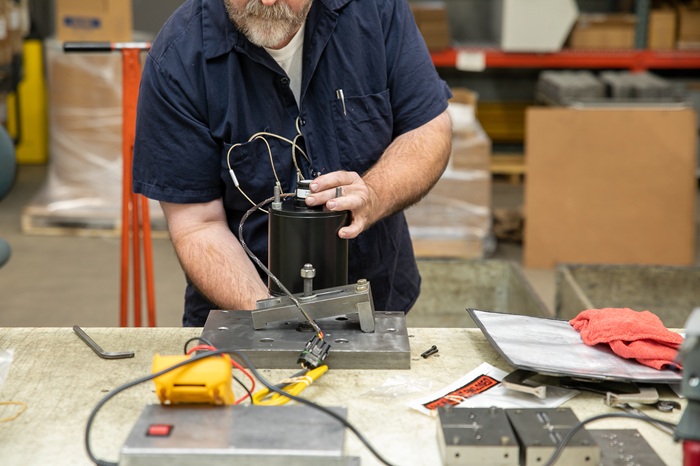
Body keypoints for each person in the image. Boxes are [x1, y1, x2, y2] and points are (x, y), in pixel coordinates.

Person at [133, 0, 453, 327]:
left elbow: (428, 128)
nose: (267, 0)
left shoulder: (375, 9)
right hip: (243, 316)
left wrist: (374, 194)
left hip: (374, 306)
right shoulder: (177, 58)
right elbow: (198, 225)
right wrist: (274, 316)